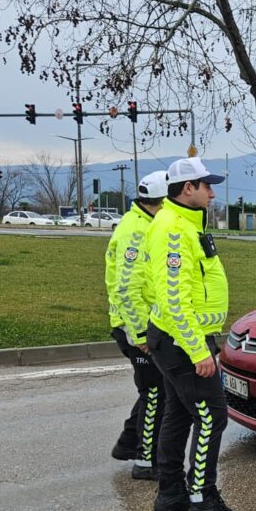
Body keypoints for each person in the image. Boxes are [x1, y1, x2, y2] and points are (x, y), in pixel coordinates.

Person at [145, 157, 247, 511]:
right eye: (207, 185)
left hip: (174, 339)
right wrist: (198, 350)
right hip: (181, 342)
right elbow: (175, 300)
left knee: (178, 413)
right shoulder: (173, 230)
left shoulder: (187, 223)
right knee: (211, 416)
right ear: (188, 188)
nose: (213, 192)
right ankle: (202, 500)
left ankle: (171, 492)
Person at [105, 170, 169, 479]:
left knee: (153, 390)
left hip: (143, 324)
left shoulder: (146, 222)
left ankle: (128, 442)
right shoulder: (136, 231)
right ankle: (146, 461)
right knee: (156, 392)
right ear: (162, 201)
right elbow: (127, 288)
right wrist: (140, 334)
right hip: (136, 327)